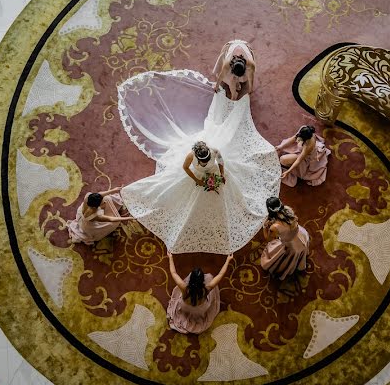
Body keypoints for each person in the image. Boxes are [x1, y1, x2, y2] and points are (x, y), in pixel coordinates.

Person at [118, 41, 280, 255]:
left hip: (212, 177)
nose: (203, 158)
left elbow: (221, 161)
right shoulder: (190, 157)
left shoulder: (214, 152)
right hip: (201, 179)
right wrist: (197, 180)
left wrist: (220, 176)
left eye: (204, 157)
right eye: (202, 158)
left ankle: (232, 93)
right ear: (198, 155)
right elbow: (186, 169)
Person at [166, 252, 233, 334]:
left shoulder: (184, 289)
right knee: (210, 278)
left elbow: (173, 273)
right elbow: (220, 274)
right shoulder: (207, 289)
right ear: (202, 281)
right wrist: (228, 260)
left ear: (191, 279)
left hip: (185, 308)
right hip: (200, 311)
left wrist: (170, 257)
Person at [260, 197, 309, 280]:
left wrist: (264, 226)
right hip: (301, 234)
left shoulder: (274, 227)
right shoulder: (288, 209)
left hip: (292, 246)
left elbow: (268, 239)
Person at [67, 187, 134, 245]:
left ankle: (114, 206)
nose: (103, 202)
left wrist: (114, 190)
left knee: (107, 198)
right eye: (101, 203)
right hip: (89, 225)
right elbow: (111, 219)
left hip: (83, 215)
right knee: (114, 223)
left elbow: (100, 194)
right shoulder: (95, 216)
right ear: (96, 207)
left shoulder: (88, 197)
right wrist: (128, 218)